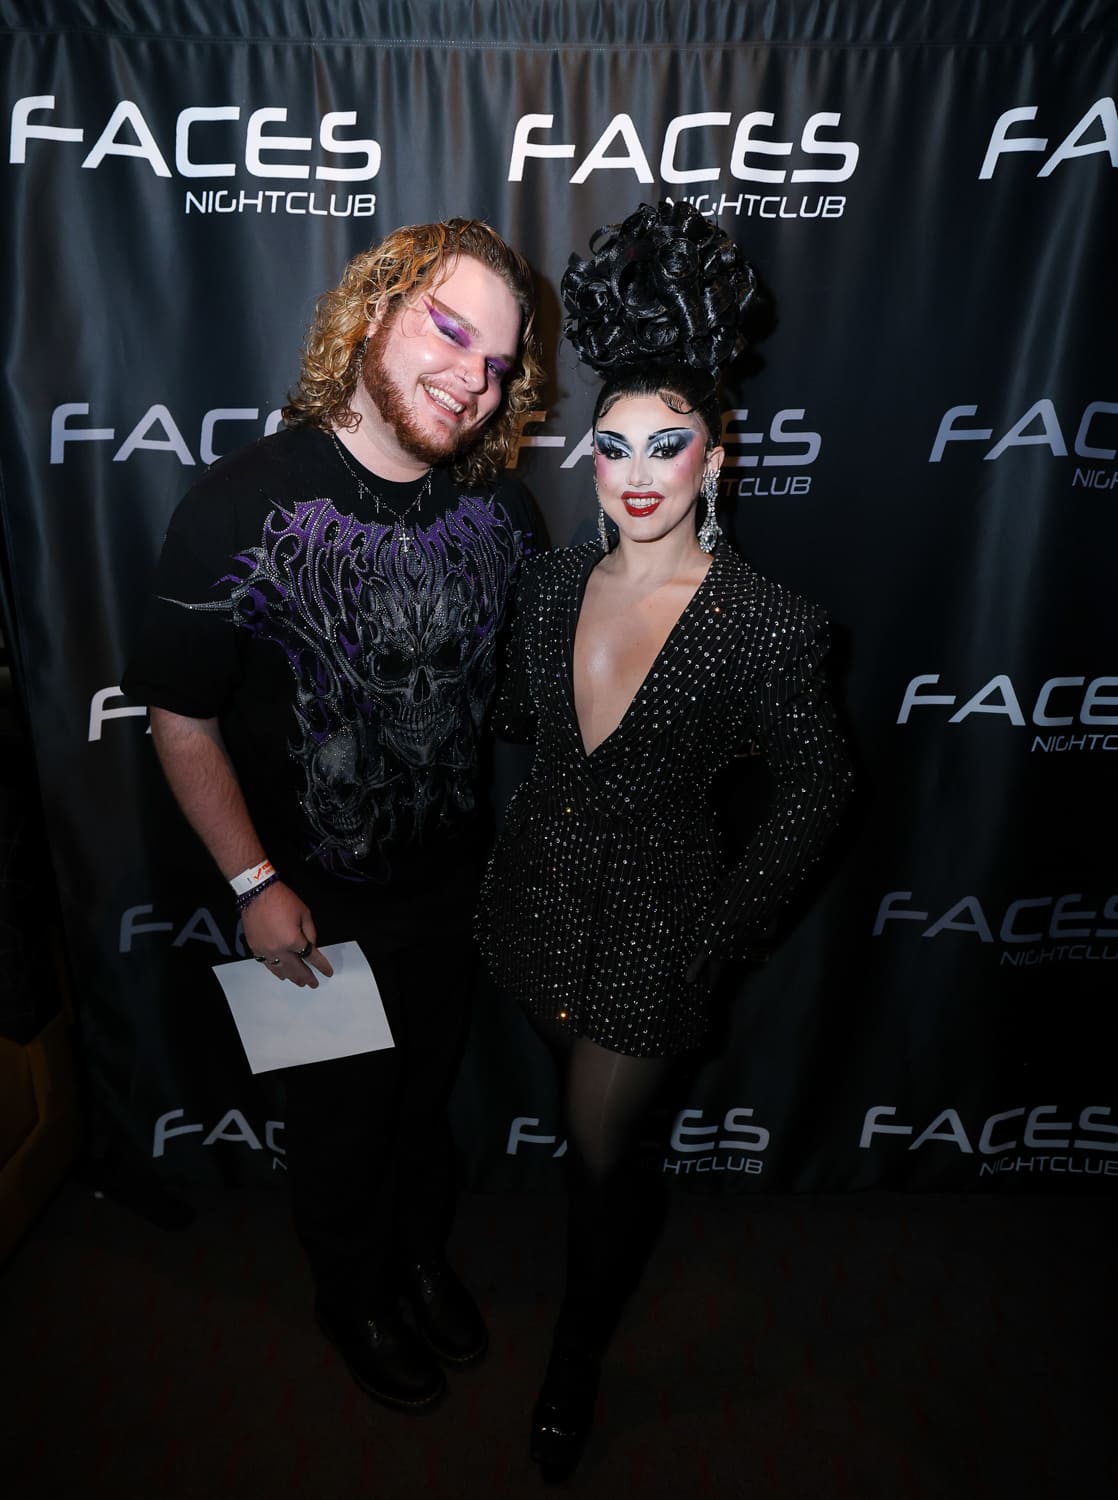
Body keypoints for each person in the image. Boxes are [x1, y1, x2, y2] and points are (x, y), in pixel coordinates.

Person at [123, 218, 543, 1412]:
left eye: (496, 362)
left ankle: (416, 1261)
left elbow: (518, 704)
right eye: (447, 330)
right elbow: (180, 719)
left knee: (420, 1108)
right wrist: (254, 884)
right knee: (335, 1126)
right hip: (305, 908)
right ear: (372, 312)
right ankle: (350, 1295)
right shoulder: (236, 505)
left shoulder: (505, 511)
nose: (470, 378)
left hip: (447, 895)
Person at [477, 200, 854, 1479]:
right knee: (588, 1135)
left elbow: (819, 792)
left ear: (714, 458)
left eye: (667, 444)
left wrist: (721, 926)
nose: (638, 472)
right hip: (531, 908)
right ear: (588, 458)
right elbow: (518, 723)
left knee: (594, 1152)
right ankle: (611, 1234)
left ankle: (574, 1355)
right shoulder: (545, 588)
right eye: (613, 445)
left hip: (656, 929)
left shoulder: (764, 622)